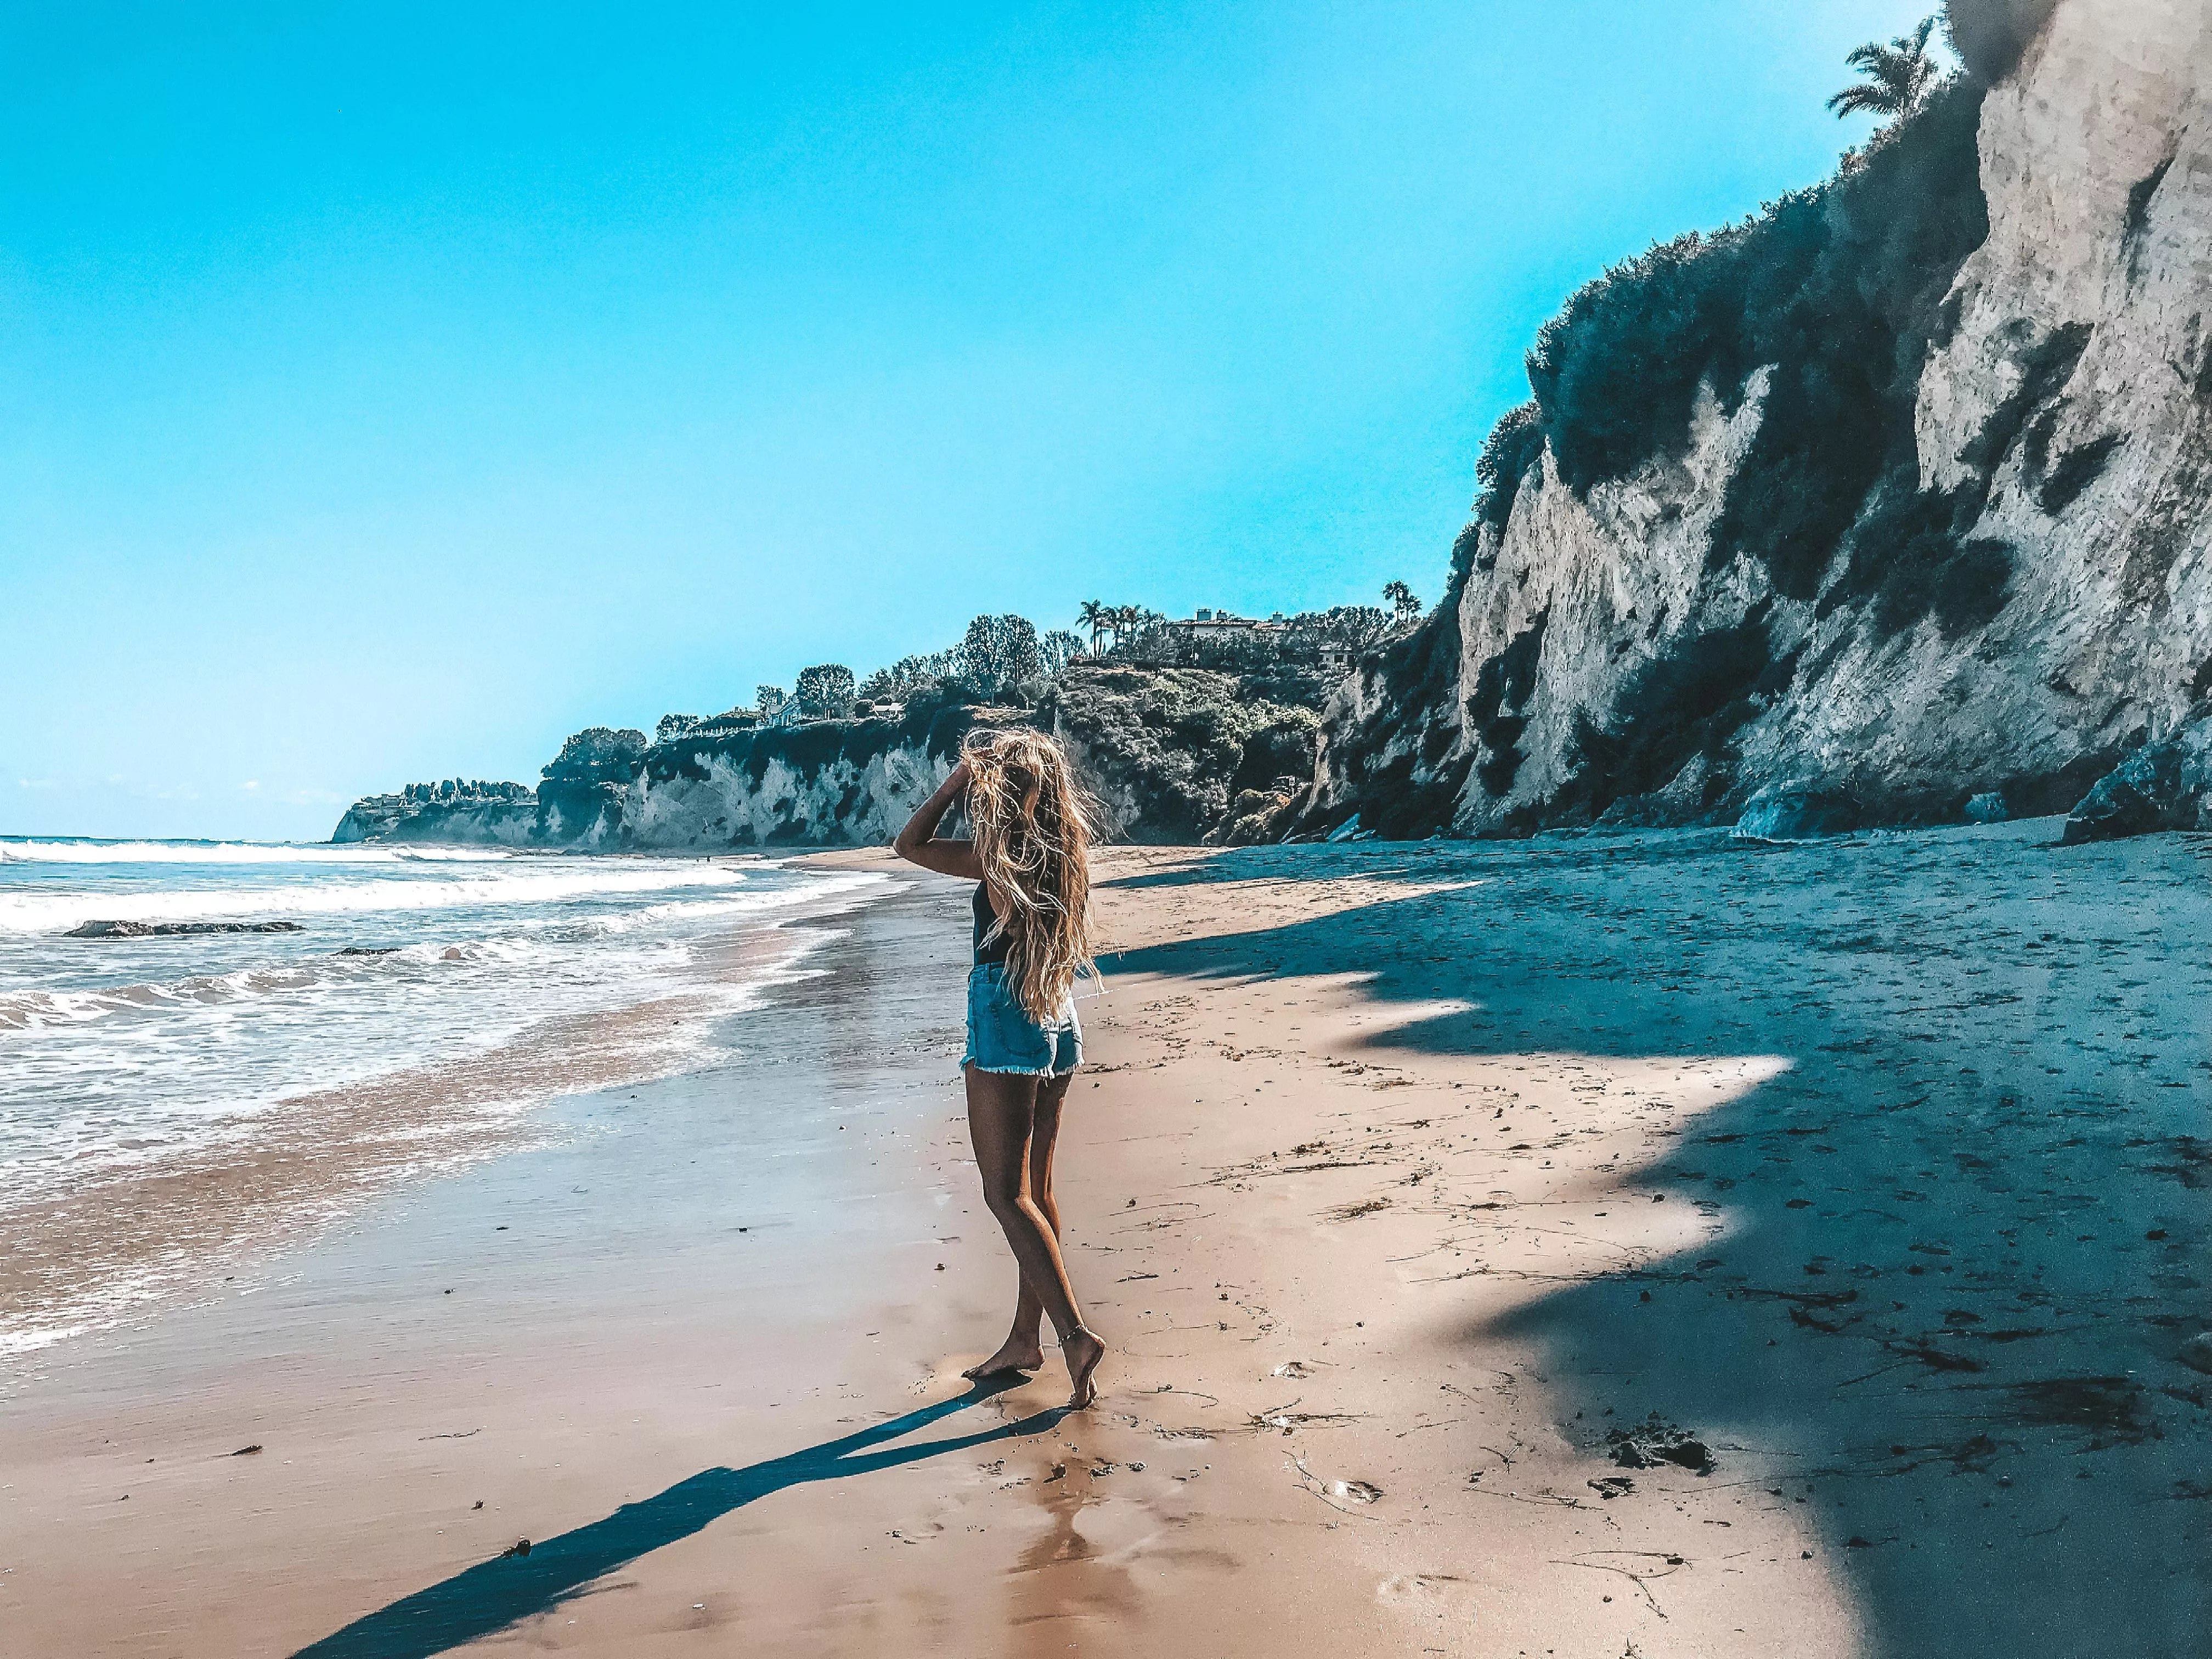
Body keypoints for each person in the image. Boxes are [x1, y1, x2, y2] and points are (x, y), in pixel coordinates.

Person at [893, 727, 1107, 1409]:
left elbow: (909, 845)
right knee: (1037, 1191)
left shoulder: (998, 855)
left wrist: (954, 784)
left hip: (1008, 1010)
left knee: (1003, 1192)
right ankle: (1025, 1337)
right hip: (1056, 1009)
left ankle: (1074, 1334)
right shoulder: (1063, 853)